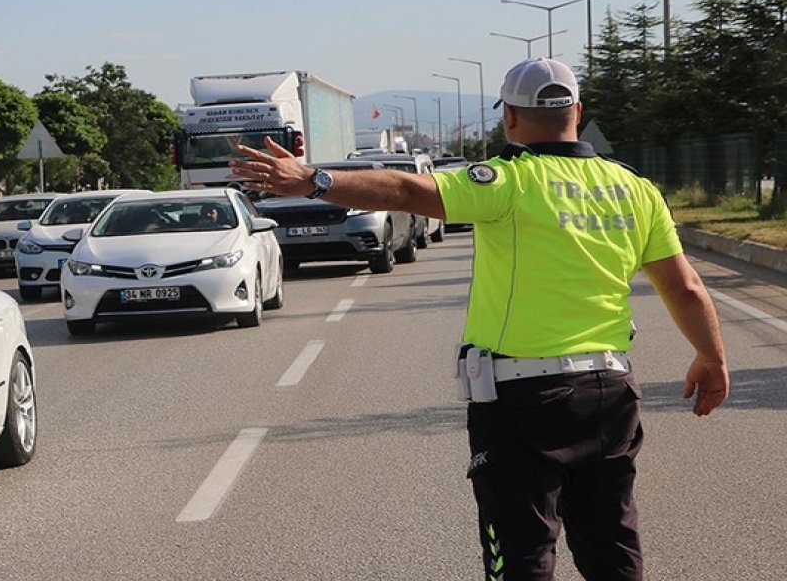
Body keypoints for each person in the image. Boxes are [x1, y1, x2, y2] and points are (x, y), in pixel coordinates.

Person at [230, 57, 729, 581]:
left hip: (524, 400)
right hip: (610, 392)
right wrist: (712, 358)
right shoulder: (635, 189)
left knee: (522, 556)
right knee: (612, 550)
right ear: (578, 113)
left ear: (510, 117)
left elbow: (407, 191)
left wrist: (313, 180)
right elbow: (685, 287)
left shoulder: (508, 181)